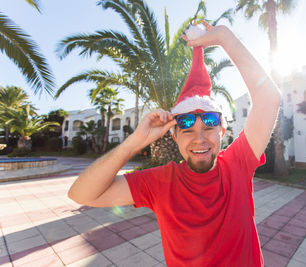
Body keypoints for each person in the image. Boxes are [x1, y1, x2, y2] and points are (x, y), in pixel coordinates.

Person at [68, 21, 281, 266]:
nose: (199, 139)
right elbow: (81, 194)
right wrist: (133, 144)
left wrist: (225, 39)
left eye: (209, 128)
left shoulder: (237, 164)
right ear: (173, 135)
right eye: (187, 130)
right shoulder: (161, 182)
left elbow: (269, 98)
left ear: (223, 131)